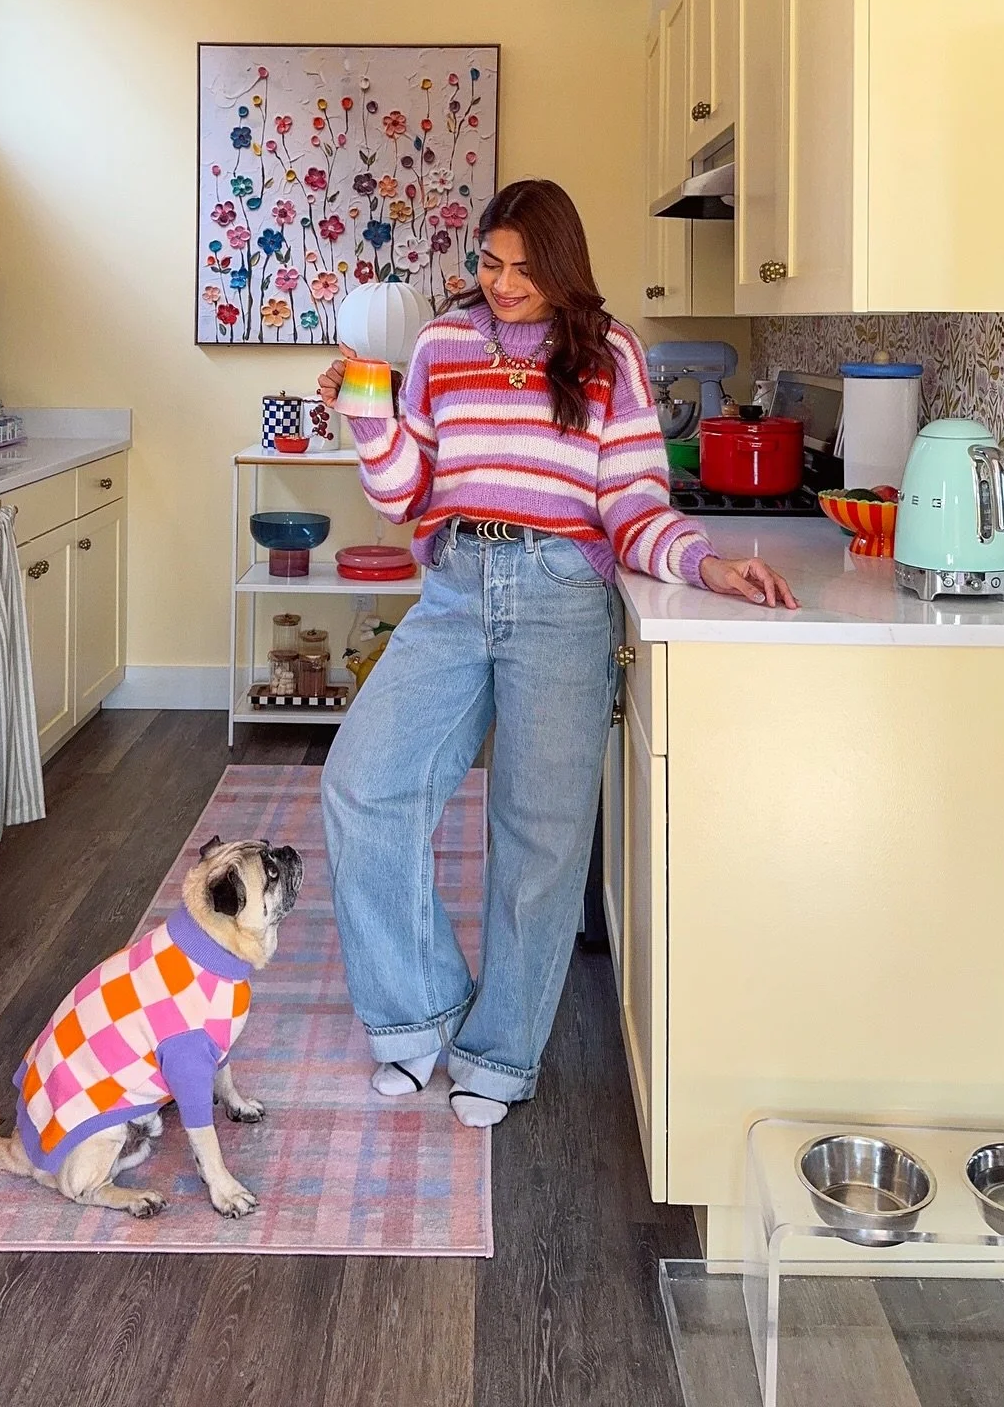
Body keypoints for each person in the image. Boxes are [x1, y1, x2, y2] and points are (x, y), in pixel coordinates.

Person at [317, 178, 797, 1130]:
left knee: (538, 839)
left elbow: (631, 506)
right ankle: (417, 1012)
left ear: (563, 266)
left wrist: (706, 564)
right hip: (455, 587)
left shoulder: (608, 353)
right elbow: (405, 496)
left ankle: (501, 1051)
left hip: (562, 599)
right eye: (490, 263)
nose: (502, 283)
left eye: (525, 268)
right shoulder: (441, 346)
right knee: (363, 784)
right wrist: (368, 418)